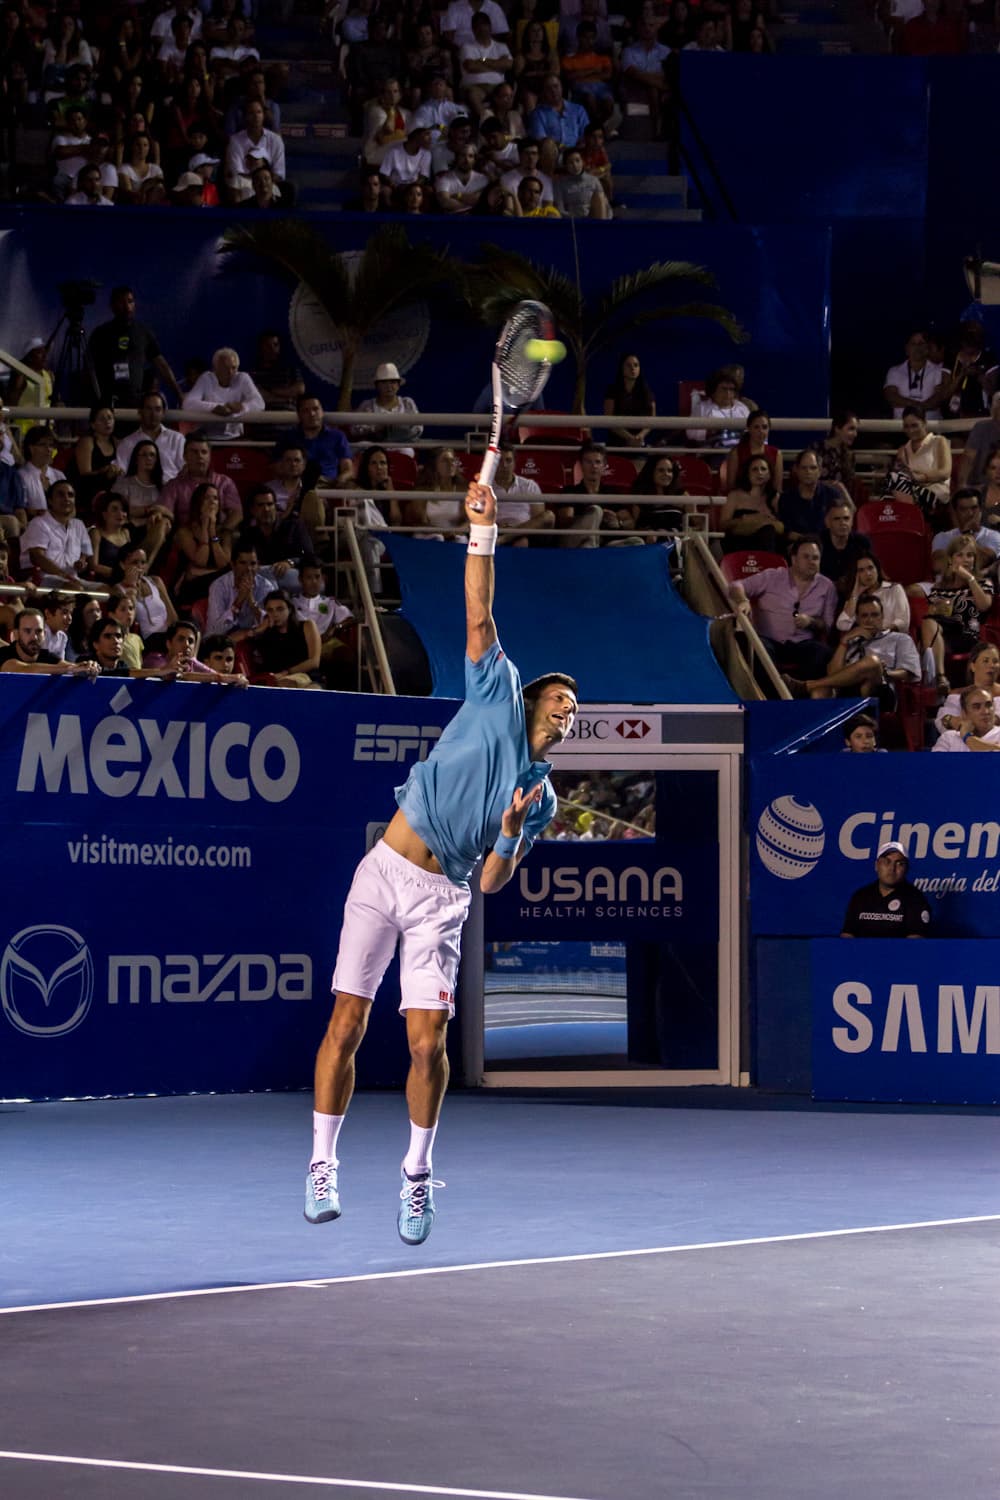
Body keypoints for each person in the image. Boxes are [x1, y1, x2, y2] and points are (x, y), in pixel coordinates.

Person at [306, 475, 578, 1244]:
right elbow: (478, 608)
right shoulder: (496, 690)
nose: (567, 717)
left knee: (427, 1044)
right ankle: (322, 1164)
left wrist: (508, 831)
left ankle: (416, 1178)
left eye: (574, 715)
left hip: (443, 900)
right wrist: (482, 530)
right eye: (560, 705)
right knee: (346, 1025)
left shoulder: (546, 799)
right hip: (383, 872)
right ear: (531, 702)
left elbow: (492, 880)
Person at [729, 535, 837, 678]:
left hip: (802, 644)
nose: (811, 562)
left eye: (815, 558)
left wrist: (811, 622)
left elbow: (827, 626)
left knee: (822, 652)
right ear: (794, 559)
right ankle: (772, 697)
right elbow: (736, 585)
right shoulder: (772, 576)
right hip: (769, 641)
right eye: (806, 557)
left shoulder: (827, 586)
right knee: (759, 649)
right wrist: (743, 600)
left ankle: (800, 692)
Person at [784, 592, 921, 704]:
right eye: (864, 616)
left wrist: (884, 672)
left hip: (879, 688)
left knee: (872, 662)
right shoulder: (852, 639)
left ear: (882, 617)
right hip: (847, 688)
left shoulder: (900, 639)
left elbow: (908, 672)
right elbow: (833, 673)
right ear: (858, 620)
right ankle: (824, 731)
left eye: (874, 615)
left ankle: (806, 686)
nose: (869, 620)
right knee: (819, 692)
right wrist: (844, 641)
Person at [910, 534, 994, 693]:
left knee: (926, 644)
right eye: (960, 555)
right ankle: (941, 679)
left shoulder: (983, 583)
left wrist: (970, 579)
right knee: (928, 625)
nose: (966, 559)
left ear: (975, 559)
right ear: (951, 559)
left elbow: (984, 606)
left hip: (967, 634)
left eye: (970, 555)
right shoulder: (939, 587)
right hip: (942, 633)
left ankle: (933, 683)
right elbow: (931, 614)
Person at [85, 285, 183, 410]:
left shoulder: (143, 332)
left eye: (130, 301)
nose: (127, 307)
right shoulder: (101, 333)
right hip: (107, 403)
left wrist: (179, 394)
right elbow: (88, 371)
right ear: (112, 306)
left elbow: (162, 365)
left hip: (135, 403)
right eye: (122, 302)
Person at [841, 842, 932, 937]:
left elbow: (915, 943)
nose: (892, 868)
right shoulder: (861, 896)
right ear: (876, 865)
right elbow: (847, 936)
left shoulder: (916, 899)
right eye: (886, 861)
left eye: (899, 863)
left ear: (906, 869)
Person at [159, 430, 242, 531]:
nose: (200, 456)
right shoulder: (174, 485)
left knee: (227, 538)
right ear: (185, 456)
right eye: (194, 452)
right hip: (187, 535)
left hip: (217, 534)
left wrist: (224, 530)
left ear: (210, 456)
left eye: (204, 452)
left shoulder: (225, 482)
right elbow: (164, 511)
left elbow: (237, 513)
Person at [20, 480, 93, 588]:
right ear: (50, 501)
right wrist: (63, 575)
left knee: (109, 590)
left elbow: (85, 554)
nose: (66, 498)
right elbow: (37, 557)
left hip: (73, 578)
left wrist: (81, 562)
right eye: (60, 494)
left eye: (70, 495)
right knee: (76, 588)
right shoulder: (39, 523)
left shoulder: (79, 525)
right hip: (43, 578)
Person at [883, 407, 952, 520]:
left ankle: (902, 516)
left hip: (935, 494)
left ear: (924, 423)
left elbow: (945, 473)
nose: (910, 431)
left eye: (914, 425)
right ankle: (904, 515)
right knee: (892, 478)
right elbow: (903, 476)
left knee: (891, 491)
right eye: (906, 426)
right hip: (911, 492)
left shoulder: (938, 441)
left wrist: (919, 477)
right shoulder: (904, 448)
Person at [182, 346, 265, 440]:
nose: (230, 372)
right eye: (225, 368)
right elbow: (188, 403)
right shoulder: (206, 378)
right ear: (215, 368)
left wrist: (243, 407)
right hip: (208, 438)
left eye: (234, 368)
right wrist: (214, 408)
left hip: (235, 438)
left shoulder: (243, 378)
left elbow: (260, 403)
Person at [245, 588, 322, 687]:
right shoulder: (266, 634)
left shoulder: (307, 626)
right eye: (270, 610)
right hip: (277, 681)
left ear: (289, 609)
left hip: (307, 677)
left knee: (312, 689)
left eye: (280, 609)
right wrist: (259, 630)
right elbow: (233, 640)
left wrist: (286, 672)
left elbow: (314, 661)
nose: (275, 614)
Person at [277, 394, 354, 487]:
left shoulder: (337, 436)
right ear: (299, 414)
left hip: (329, 485)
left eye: (316, 409)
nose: (312, 414)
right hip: (297, 486)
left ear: (322, 412)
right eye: (306, 411)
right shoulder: (288, 437)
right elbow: (275, 467)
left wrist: (341, 479)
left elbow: (348, 469)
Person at [0, 607, 100, 676]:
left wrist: (87, 667)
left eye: (39, 631)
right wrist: (71, 668)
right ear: (16, 634)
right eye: (27, 631)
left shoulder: (46, 656)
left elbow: (67, 666)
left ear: (44, 634)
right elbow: (28, 669)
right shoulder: (4, 654)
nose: (34, 637)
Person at [351, 364, 424, 455]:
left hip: (402, 445)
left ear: (398, 385)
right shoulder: (367, 405)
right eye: (384, 382)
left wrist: (399, 432)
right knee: (360, 447)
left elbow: (418, 428)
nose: (389, 386)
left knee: (407, 451)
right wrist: (375, 430)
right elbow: (354, 429)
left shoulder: (407, 403)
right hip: (375, 447)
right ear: (377, 385)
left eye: (393, 382)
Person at [114, 391, 187, 481]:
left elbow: (186, 469)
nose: (153, 414)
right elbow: (121, 474)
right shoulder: (127, 443)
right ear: (140, 411)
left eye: (157, 409)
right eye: (148, 409)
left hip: (171, 489)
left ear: (163, 412)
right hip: (140, 491)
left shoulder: (177, 439)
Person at [718, 454, 783, 554]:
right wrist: (742, 520)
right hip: (739, 543)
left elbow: (782, 527)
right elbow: (722, 525)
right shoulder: (735, 495)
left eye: (763, 469)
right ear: (747, 474)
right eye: (755, 469)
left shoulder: (775, 498)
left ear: (769, 474)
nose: (759, 473)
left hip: (767, 544)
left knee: (768, 532)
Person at [205, 544, 273, 638]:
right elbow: (214, 632)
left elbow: (272, 625)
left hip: (255, 638)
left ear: (258, 566)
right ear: (233, 565)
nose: (248, 569)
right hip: (224, 641)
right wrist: (238, 602)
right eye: (243, 563)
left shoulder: (266, 587)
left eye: (253, 564)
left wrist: (251, 601)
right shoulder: (218, 586)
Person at [493, 444, 555, 544]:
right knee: (521, 542)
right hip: (496, 530)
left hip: (524, 531)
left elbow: (538, 519)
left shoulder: (529, 485)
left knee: (549, 515)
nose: (504, 465)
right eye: (499, 461)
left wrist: (516, 530)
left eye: (508, 460)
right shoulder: (486, 486)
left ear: (514, 463)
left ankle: (507, 537)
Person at [837, 552, 910, 636]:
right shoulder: (855, 598)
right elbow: (842, 625)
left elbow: (904, 622)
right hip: (866, 642)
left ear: (877, 569)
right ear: (856, 575)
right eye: (861, 570)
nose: (868, 573)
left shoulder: (894, 589)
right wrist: (855, 594)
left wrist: (882, 630)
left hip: (891, 637)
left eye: (870, 568)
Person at [931, 488, 1000, 575]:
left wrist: (967, 532)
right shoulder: (942, 537)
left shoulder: (993, 536)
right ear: (955, 512)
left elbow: (981, 562)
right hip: (945, 584)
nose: (970, 513)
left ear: (980, 509)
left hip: (977, 585)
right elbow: (938, 566)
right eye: (963, 509)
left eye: (974, 508)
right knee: (913, 588)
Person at [936, 641, 1000, 735]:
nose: (991, 665)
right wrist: (952, 721)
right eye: (985, 661)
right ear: (973, 666)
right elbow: (943, 719)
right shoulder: (957, 695)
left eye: (995, 661)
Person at [883, 330, 946, 420]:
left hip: (932, 425)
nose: (917, 347)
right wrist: (919, 406)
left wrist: (908, 404)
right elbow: (891, 397)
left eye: (921, 343)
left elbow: (939, 398)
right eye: (913, 344)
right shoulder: (894, 371)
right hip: (901, 427)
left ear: (927, 348)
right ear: (907, 349)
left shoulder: (938, 370)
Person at [68, 404, 121, 511]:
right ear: (93, 425)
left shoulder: (117, 443)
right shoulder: (87, 442)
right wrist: (104, 472)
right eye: (102, 419)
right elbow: (84, 475)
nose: (107, 421)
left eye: (110, 418)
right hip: (87, 492)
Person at [778, 449, 841, 538]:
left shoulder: (832, 495)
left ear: (820, 471)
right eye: (804, 468)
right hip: (796, 546)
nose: (808, 472)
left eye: (813, 468)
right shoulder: (786, 499)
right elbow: (786, 531)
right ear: (797, 470)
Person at [722, 410, 784, 495]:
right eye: (756, 427)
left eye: (764, 427)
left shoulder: (776, 454)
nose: (761, 431)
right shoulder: (736, 453)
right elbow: (731, 486)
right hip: (742, 500)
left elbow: (777, 488)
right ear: (748, 429)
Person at [819, 499, 872, 594]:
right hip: (822, 594)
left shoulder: (862, 543)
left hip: (856, 592)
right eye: (837, 519)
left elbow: (871, 572)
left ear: (852, 522)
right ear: (827, 522)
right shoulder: (817, 544)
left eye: (846, 518)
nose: (842, 523)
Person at [602, 353, 654, 448]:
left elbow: (652, 419)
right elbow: (608, 419)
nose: (632, 368)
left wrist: (640, 436)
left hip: (639, 443)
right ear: (622, 368)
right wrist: (629, 438)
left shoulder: (646, 392)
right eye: (628, 365)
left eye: (636, 365)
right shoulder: (612, 390)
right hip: (617, 442)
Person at [630, 452, 687, 535]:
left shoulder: (682, 495)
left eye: (670, 471)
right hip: (650, 543)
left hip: (678, 541)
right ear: (651, 472)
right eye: (661, 470)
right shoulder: (640, 495)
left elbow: (696, 525)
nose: (666, 474)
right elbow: (636, 527)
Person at [933, 685, 1000, 752]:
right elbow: (936, 761)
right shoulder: (949, 738)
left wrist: (966, 737)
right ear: (964, 714)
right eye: (976, 707)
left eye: (989, 705)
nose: (985, 711)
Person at [958, 391, 1000, 489]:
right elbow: (968, 458)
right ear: (993, 409)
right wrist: (961, 484)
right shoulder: (981, 428)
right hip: (981, 484)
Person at [814, 410, 858, 502]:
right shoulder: (817, 450)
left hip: (841, 504)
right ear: (837, 428)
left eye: (856, 430)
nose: (855, 434)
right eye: (851, 429)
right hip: (818, 500)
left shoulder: (849, 455)